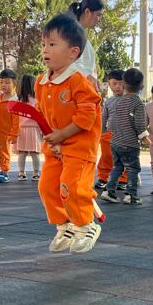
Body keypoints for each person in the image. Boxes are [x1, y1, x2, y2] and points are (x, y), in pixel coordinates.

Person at [36, 13, 102, 255]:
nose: (46, 49)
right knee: (47, 187)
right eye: (44, 44)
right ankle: (64, 225)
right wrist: (51, 138)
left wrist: (61, 136)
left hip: (79, 148)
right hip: (55, 147)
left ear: (73, 52)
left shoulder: (79, 81)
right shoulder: (42, 82)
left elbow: (87, 117)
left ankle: (86, 226)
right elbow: (41, 114)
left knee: (71, 187)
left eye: (53, 44)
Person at [101, 68, 148, 206]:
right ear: (142, 87)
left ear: (124, 86)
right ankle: (131, 195)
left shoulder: (119, 102)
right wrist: (145, 138)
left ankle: (109, 190)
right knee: (133, 168)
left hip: (115, 140)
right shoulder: (138, 104)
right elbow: (140, 124)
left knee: (117, 166)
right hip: (129, 142)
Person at [0, 69, 20, 183]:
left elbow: (16, 120)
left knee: (2, 152)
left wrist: (14, 135)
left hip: (4, 132)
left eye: (7, 82)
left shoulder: (15, 102)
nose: (3, 85)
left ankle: (4, 171)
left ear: (14, 84)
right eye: (1, 82)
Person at [95, 69, 125, 189]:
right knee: (106, 157)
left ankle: (123, 180)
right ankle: (103, 177)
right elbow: (104, 117)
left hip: (125, 134)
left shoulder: (130, 100)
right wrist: (102, 132)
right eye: (114, 83)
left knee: (124, 157)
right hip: (109, 134)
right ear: (109, 84)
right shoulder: (108, 101)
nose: (118, 86)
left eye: (121, 83)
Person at [69, 0, 104, 91]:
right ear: (87, 12)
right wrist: (90, 78)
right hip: (78, 90)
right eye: (98, 15)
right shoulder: (74, 33)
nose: (99, 20)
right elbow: (74, 63)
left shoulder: (81, 35)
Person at [14, 73, 42, 181]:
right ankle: (36, 173)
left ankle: (21, 173)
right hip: (33, 129)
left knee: (22, 153)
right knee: (35, 153)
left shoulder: (18, 100)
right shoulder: (36, 100)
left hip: (20, 129)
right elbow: (40, 116)